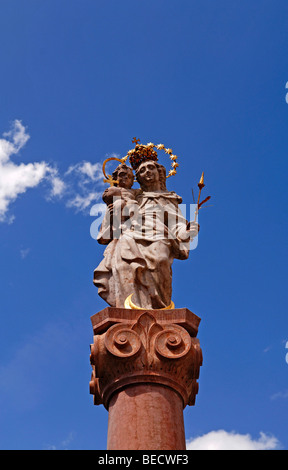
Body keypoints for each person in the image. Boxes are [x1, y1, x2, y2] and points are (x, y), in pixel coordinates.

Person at [93, 158, 199, 309]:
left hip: (159, 234)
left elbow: (177, 223)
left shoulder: (169, 198)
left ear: (160, 173)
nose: (147, 172)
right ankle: (127, 308)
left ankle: (160, 307)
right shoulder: (136, 195)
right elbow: (116, 199)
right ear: (138, 178)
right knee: (124, 265)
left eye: (150, 168)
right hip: (132, 233)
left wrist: (187, 231)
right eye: (142, 170)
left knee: (161, 260)